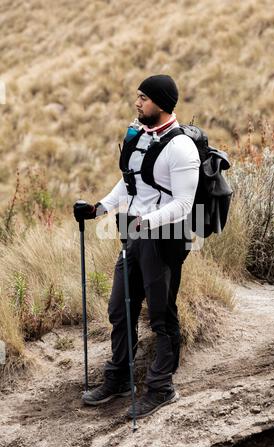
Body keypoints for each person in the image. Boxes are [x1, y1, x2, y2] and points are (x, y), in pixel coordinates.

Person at [73, 74, 200, 419]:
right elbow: (129, 182)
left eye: (144, 97)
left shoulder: (181, 147)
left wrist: (147, 222)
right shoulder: (139, 136)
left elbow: (185, 205)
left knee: (161, 315)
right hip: (134, 233)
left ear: (161, 103)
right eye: (138, 96)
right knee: (119, 307)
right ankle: (120, 377)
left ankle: (162, 388)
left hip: (165, 238)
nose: (137, 102)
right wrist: (98, 208)